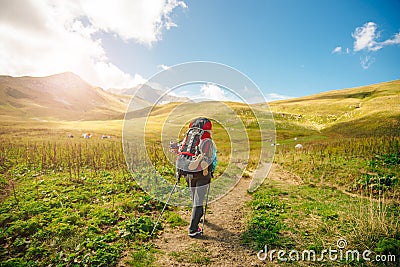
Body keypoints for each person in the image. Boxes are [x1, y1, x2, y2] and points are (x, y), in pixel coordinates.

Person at [170, 117, 215, 237]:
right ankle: (193, 229)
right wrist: (211, 170)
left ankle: (197, 216)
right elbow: (213, 159)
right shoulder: (207, 140)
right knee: (199, 200)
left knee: (194, 194)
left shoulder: (188, 138)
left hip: (186, 170)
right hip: (202, 172)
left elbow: (178, 150)